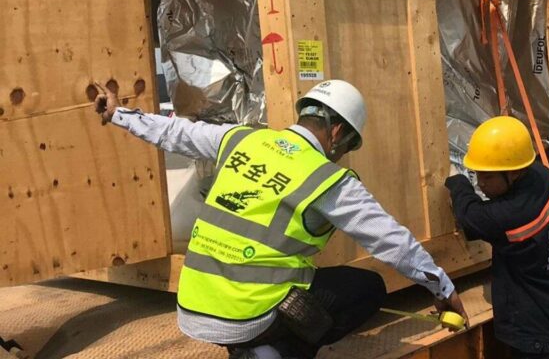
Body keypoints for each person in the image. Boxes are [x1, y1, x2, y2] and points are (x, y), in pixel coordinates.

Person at [93, 79, 467, 359]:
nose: (343, 153)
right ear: (337, 132)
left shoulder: (242, 139)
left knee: (299, 276)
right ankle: (276, 350)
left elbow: (175, 132)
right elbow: (392, 241)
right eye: (349, 145)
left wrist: (118, 114)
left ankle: (253, 345)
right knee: (368, 288)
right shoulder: (327, 179)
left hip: (194, 303)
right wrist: (443, 290)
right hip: (245, 314)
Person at [445, 117, 549, 358]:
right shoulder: (542, 176)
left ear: (513, 172)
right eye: (477, 174)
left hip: (542, 335)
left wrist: (457, 181)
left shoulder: (512, 214)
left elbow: (469, 214)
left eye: (487, 176)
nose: (480, 183)